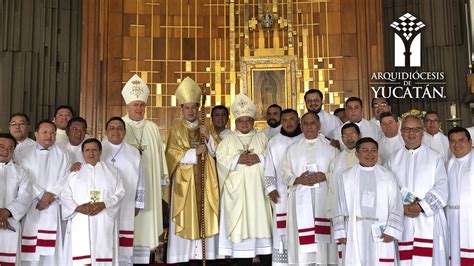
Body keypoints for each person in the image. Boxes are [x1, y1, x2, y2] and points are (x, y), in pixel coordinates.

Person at [163, 76, 220, 263]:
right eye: (187, 107)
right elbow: (171, 154)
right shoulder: (176, 128)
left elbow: (220, 152)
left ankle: (207, 256)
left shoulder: (207, 127)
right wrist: (194, 153)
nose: (191, 111)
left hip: (205, 182)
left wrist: (209, 137)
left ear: (198, 108)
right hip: (184, 184)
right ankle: (182, 256)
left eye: (194, 107)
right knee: (185, 219)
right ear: (182, 109)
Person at [216, 93, 272, 265]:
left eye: (248, 120)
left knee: (262, 237)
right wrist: (236, 160)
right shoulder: (227, 140)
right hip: (236, 195)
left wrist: (259, 159)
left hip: (258, 195)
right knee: (241, 250)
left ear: (253, 121)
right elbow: (220, 158)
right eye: (241, 121)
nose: (245, 123)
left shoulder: (262, 137)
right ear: (236, 122)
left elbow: (271, 159)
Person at [385, 115, 449, 265]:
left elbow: (442, 187)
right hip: (402, 217)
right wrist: (401, 207)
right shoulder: (392, 159)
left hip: (429, 219)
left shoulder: (435, 157)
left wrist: (421, 206)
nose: (411, 133)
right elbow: (386, 190)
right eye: (407, 129)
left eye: (416, 129)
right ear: (401, 132)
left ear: (422, 132)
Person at [121, 74, 169, 263]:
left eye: (142, 105)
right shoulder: (120, 126)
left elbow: (159, 155)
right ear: (128, 106)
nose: (139, 108)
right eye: (135, 105)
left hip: (149, 185)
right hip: (128, 187)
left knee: (146, 226)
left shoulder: (152, 128)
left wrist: (161, 180)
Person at [281, 112, 339, 265]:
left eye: (312, 123)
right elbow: (284, 174)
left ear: (319, 126)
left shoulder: (330, 147)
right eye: (305, 124)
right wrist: (298, 179)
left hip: (323, 198)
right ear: (301, 126)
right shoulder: (293, 149)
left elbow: (339, 172)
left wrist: (324, 176)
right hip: (300, 198)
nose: (309, 127)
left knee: (323, 241)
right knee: (303, 245)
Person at [334, 137, 403, 265]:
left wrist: (392, 230)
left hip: (381, 230)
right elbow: (339, 205)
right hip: (354, 229)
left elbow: (396, 205)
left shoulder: (387, 176)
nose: (370, 154)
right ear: (357, 154)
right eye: (365, 150)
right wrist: (341, 232)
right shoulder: (346, 177)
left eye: (373, 150)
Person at [61, 138, 125, 265]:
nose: (91, 153)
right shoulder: (74, 174)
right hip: (81, 218)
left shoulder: (113, 172)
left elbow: (120, 192)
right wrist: (78, 208)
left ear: (100, 152)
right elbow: (65, 195)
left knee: (103, 251)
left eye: (94, 150)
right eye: (87, 150)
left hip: (104, 217)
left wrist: (104, 204)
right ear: (83, 153)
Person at [17, 120, 71, 265]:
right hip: (31, 204)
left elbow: (66, 178)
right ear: (36, 134)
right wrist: (41, 195)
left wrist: (50, 196)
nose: (49, 135)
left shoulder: (64, 154)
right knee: (30, 249)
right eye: (45, 132)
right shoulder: (24, 154)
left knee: (52, 253)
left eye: (52, 132)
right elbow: (23, 177)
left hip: (53, 204)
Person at [101, 117, 145, 265]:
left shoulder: (133, 152)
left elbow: (141, 177)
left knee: (124, 239)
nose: (115, 131)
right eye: (112, 128)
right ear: (106, 131)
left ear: (125, 132)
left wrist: (138, 202)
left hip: (127, 202)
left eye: (119, 128)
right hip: (104, 203)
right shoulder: (99, 149)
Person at [264, 108, 303, 265]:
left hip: (302, 192)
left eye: (292, 119)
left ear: (298, 120)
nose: (288, 123)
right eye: (285, 120)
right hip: (281, 194)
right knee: (283, 231)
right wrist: (271, 189)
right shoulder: (274, 142)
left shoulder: (305, 139)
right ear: (281, 121)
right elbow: (268, 167)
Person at [0, 133, 32, 265]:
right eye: (1, 147)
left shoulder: (21, 172)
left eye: (10, 148)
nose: (5, 151)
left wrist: (7, 212)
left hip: (10, 222)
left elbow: (25, 197)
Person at [445, 127, 473, 265]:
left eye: (461, 140)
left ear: (470, 141)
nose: (456, 144)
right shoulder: (446, 165)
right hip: (453, 222)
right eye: (452, 141)